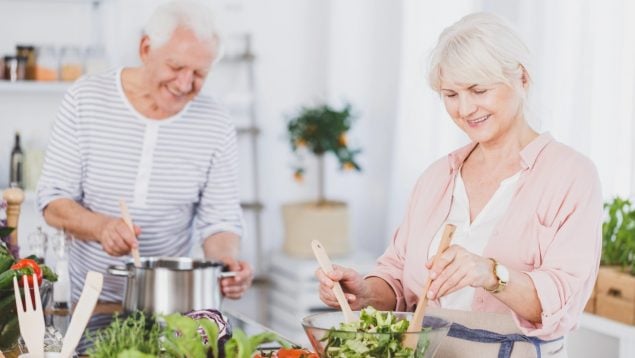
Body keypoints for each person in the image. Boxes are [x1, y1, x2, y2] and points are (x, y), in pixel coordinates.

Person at [316, 12, 602, 355]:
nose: (465, 109)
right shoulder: (438, 177)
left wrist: (491, 273)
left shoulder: (571, 175)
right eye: (450, 94)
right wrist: (365, 291)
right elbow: (396, 275)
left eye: (478, 90)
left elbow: (563, 301)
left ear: (522, 78)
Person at [37, 0, 253, 306]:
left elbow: (220, 220)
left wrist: (227, 264)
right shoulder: (85, 98)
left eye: (199, 73)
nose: (184, 83)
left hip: (173, 306)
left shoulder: (215, 121)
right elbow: (52, 202)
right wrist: (102, 228)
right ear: (145, 48)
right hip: (90, 302)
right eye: (176, 67)